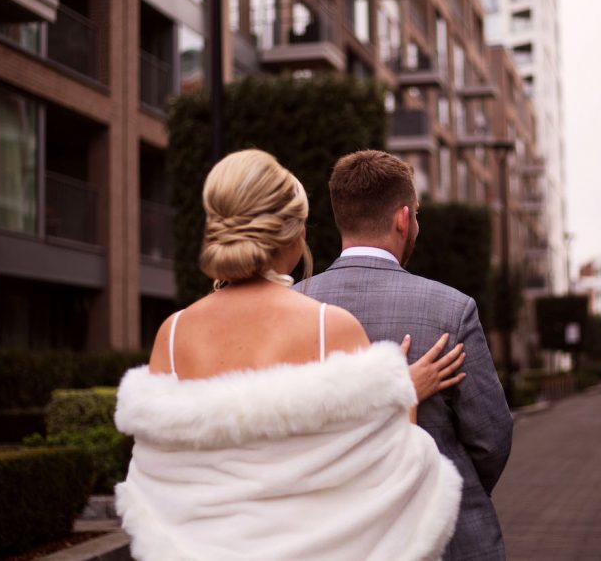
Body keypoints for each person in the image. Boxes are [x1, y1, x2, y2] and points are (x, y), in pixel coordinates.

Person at [114, 149, 464, 561]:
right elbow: (392, 478)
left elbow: (156, 482)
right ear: (294, 234)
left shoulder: (171, 335)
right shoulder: (328, 327)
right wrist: (401, 391)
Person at [299, 150, 514, 561]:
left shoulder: (293, 306)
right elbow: (491, 438)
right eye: (417, 214)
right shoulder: (452, 309)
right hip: (444, 533)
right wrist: (456, 485)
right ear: (403, 218)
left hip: (330, 536)